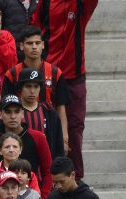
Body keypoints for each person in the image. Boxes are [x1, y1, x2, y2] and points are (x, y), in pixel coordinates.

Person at [34, 0, 98, 178]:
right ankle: (46, 176)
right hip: (47, 73)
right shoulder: (46, 3)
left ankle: (75, 176)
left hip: (74, 74)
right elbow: (35, 28)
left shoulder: (81, 3)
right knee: (43, 124)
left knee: (75, 126)